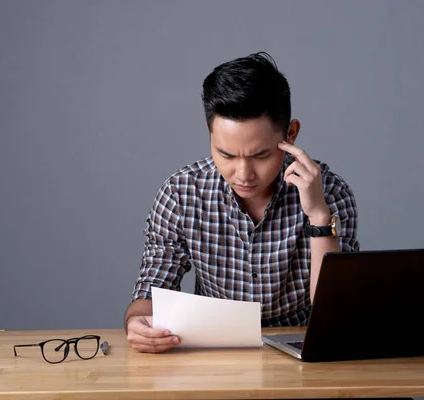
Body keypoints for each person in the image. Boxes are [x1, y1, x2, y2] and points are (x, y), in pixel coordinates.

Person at [124, 51, 359, 353]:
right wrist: (138, 322)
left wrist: (318, 217)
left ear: (291, 133)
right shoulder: (181, 193)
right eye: (226, 155)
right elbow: (154, 283)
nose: (243, 174)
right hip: (213, 351)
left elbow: (335, 313)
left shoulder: (329, 191)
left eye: (260, 156)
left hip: (304, 351)